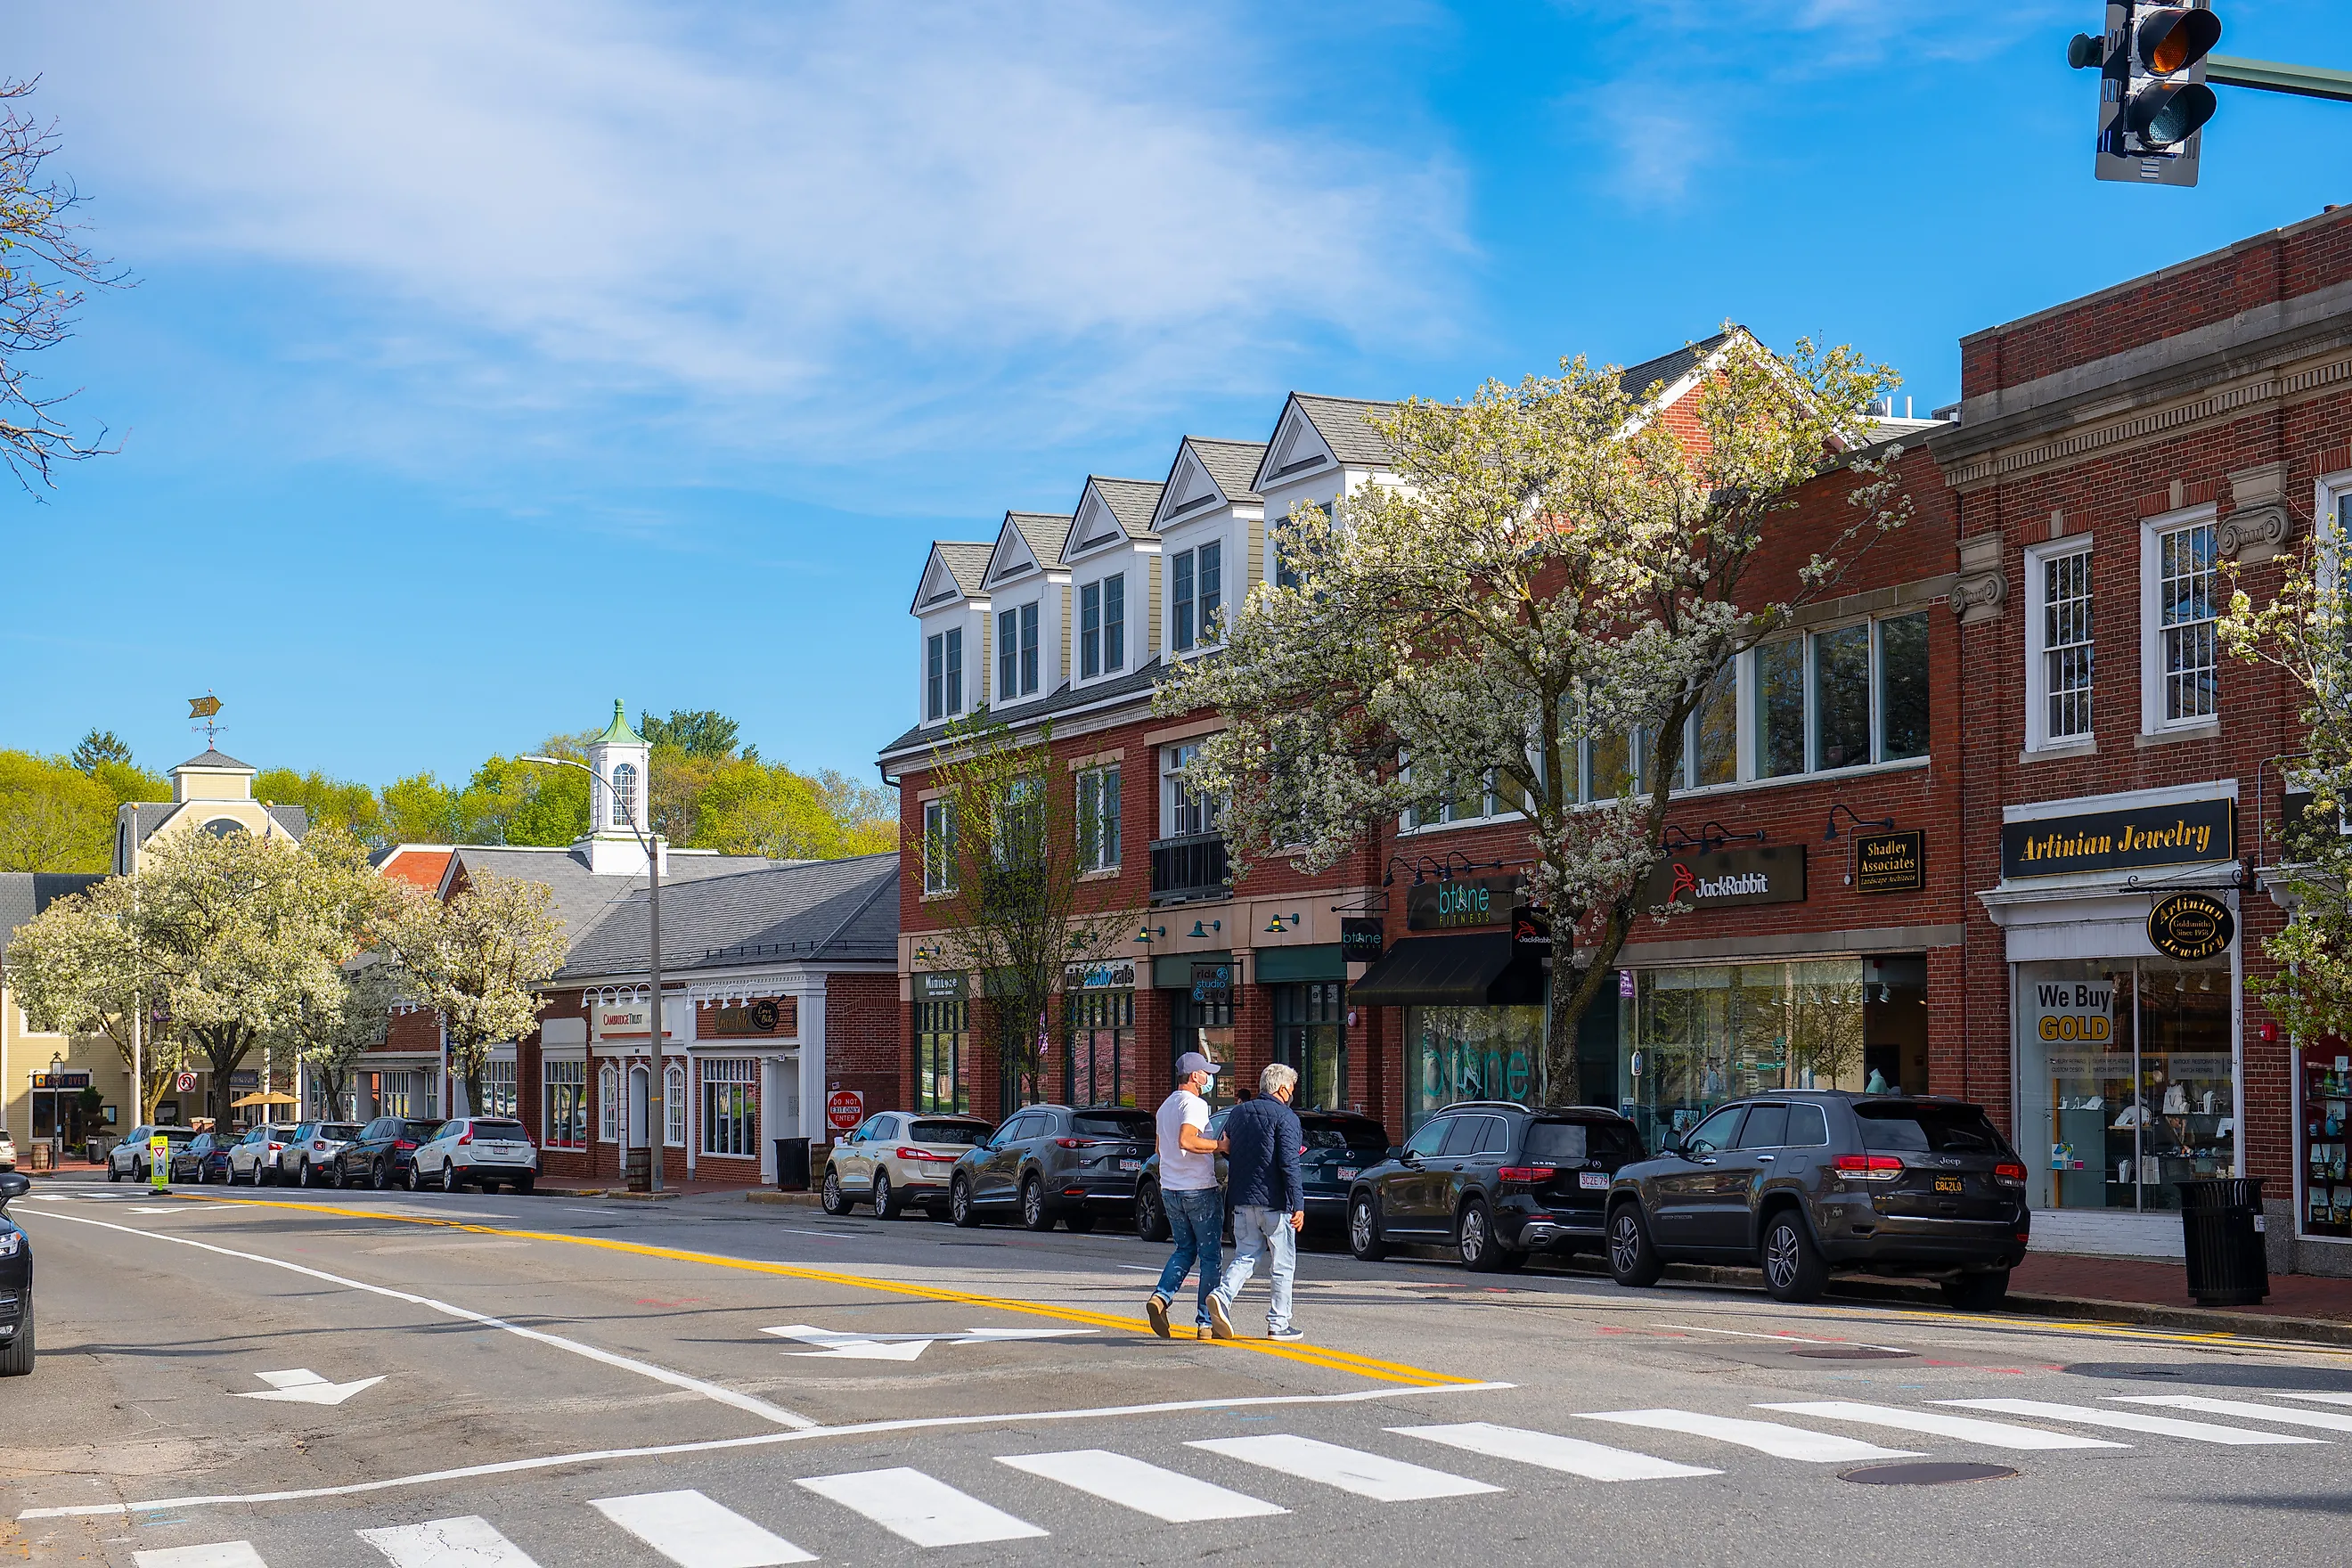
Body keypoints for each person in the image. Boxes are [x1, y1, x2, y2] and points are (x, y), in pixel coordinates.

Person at [1210, 1062, 1305, 1342]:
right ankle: (1278, 1323)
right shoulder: (1286, 1118)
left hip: (1242, 1198)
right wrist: (1297, 1203)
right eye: (1292, 1088)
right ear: (1283, 1089)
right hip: (1275, 1202)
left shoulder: (1238, 1113)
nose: (1292, 1093)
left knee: (1246, 1256)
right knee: (1283, 1264)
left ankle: (1221, 1295)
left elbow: (1226, 1149)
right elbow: (1289, 1163)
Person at [1146, 1051, 1228, 1340]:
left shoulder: (1164, 1107)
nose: (1209, 1078)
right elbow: (1186, 1139)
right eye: (1206, 1073)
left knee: (1183, 1249)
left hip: (1170, 1188)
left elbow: (1159, 1149)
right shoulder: (1195, 1104)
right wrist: (1220, 1146)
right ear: (1194, 1076)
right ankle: (1206, 1323)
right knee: (1210, 1256)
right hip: (1198, 1188)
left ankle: (1161, 1297)